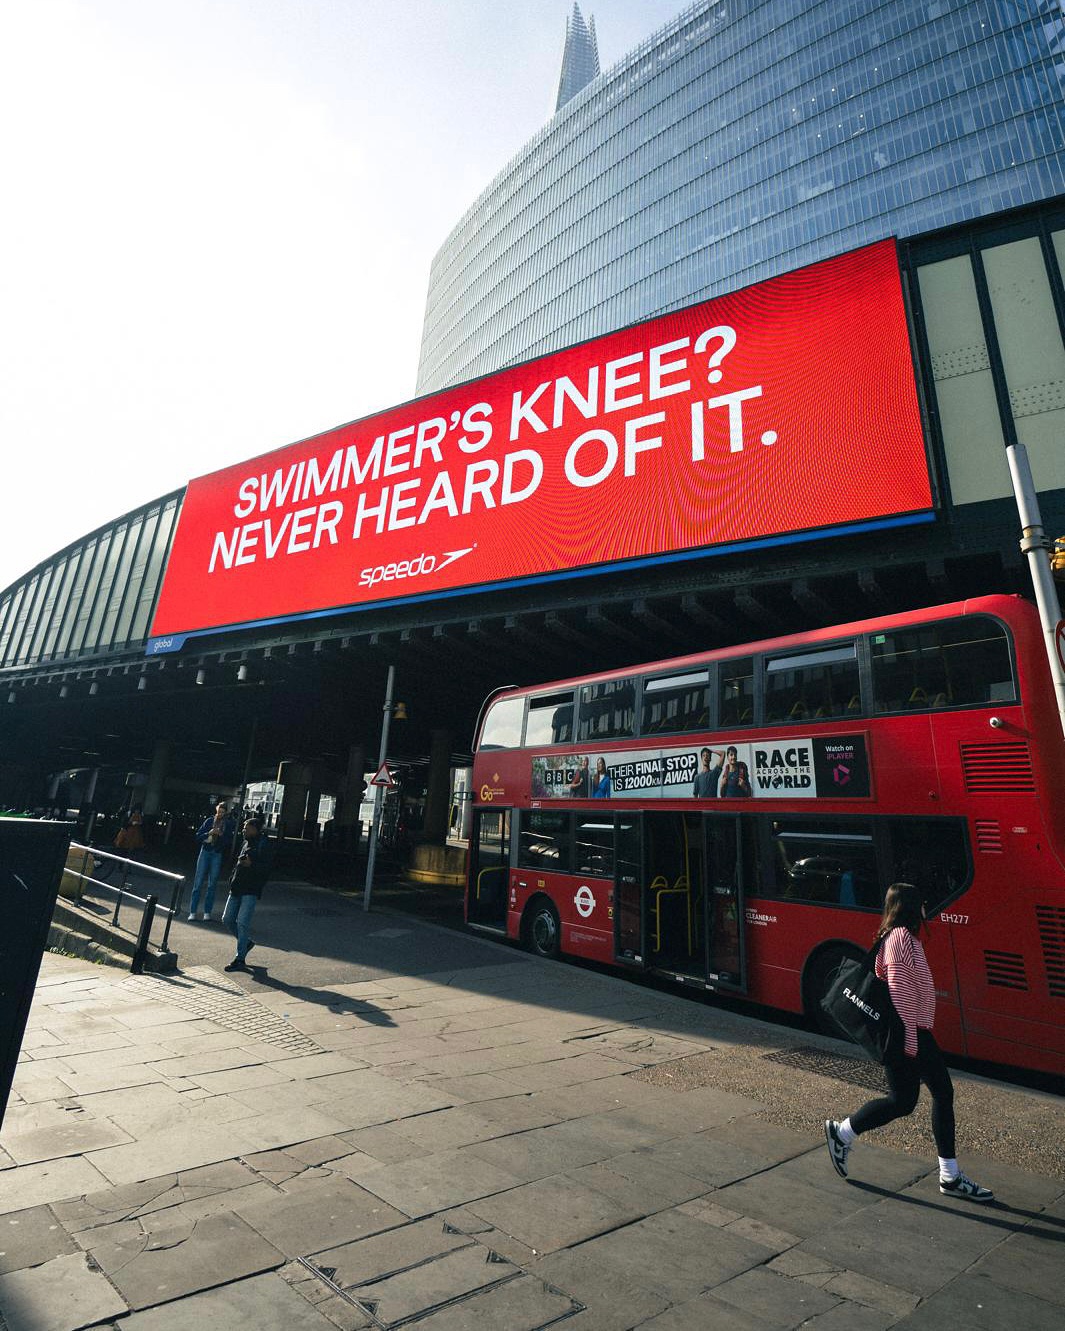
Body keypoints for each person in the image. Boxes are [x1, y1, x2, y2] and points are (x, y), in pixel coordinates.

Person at [824, 882, 994, 1201]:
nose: (927, 907)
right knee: (922, 1097)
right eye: (922, 902)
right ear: (912, 907)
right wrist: (911, 1043)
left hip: (910, 1032)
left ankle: (845, 1133)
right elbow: (900, 993)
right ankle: (844, 1133)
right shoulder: (901, 939)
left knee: (915, 1098)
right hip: (907, 1033)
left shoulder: (900, 937)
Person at [222, 816, 272, 971]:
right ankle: (246, 943)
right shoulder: (245, 842)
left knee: (242, 922)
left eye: (247, 828)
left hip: (250, 889)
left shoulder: (264, 845)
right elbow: (238, 863)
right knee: (227, 919)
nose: (243, 830)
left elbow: (267, 869)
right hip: (237, 886)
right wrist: (232, 878)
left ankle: (240, 959)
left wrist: (252, 865)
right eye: (244, 828)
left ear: (256, 830)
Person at [187, 801, 236, 921]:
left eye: (223, 812)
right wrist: (208, 833)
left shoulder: (227, 824)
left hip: (217, 853)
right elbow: (198, 836)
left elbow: (229, 841)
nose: (220, 814)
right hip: (205, 851)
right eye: (219, 811)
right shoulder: (209, 821)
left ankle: (207, 912)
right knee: (198, 882)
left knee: (212, 884)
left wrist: (221, 835)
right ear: (216, 810)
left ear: (226, 813)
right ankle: (192, 912)